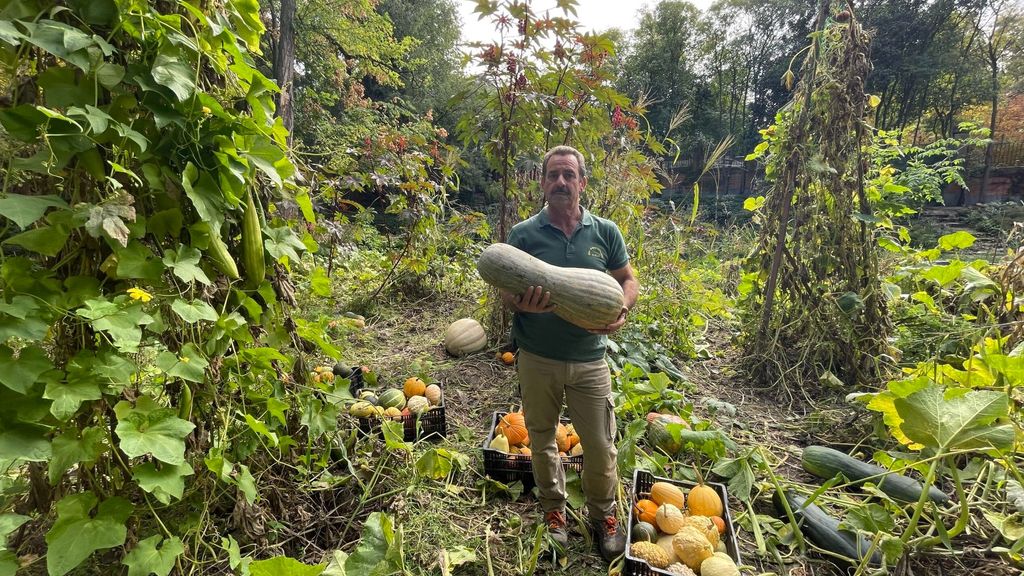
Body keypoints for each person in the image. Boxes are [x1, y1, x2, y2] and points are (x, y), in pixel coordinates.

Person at [500, 145, 639, 562]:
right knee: (541, 439)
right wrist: (519, 304)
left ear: (582, 182)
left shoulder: (605, 232)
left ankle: (603, 515)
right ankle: (554, 513)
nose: (561, 182)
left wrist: (623, 309)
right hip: (537, 356)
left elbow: (627, 280)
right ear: (542, 183)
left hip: (590, 357)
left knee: (599, 444)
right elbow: (508, 292)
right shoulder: (524, 235)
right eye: (553, 175)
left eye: (568, 175)